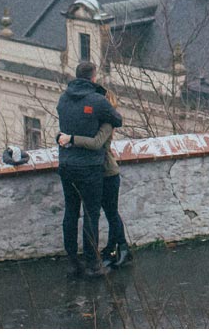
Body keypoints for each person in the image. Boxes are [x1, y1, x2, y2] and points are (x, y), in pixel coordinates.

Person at [56, 61, 121, 278]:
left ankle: (72, 262)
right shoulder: (97, 101)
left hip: (66, 164)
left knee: (70, 212)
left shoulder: (63, 99)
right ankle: (93, 264)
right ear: (93, 78)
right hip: (90, 167)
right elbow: (117, 119)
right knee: (91, 215)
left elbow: (67, 126)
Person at [68, 83, 130, 268]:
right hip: (97, 172)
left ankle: (123, 248)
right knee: (108, 211)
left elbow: (97, 143)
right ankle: (113, 247)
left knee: (111, 212)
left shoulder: (107, 123)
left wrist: (72, 139)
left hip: (108, 172)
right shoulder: (96, 120)